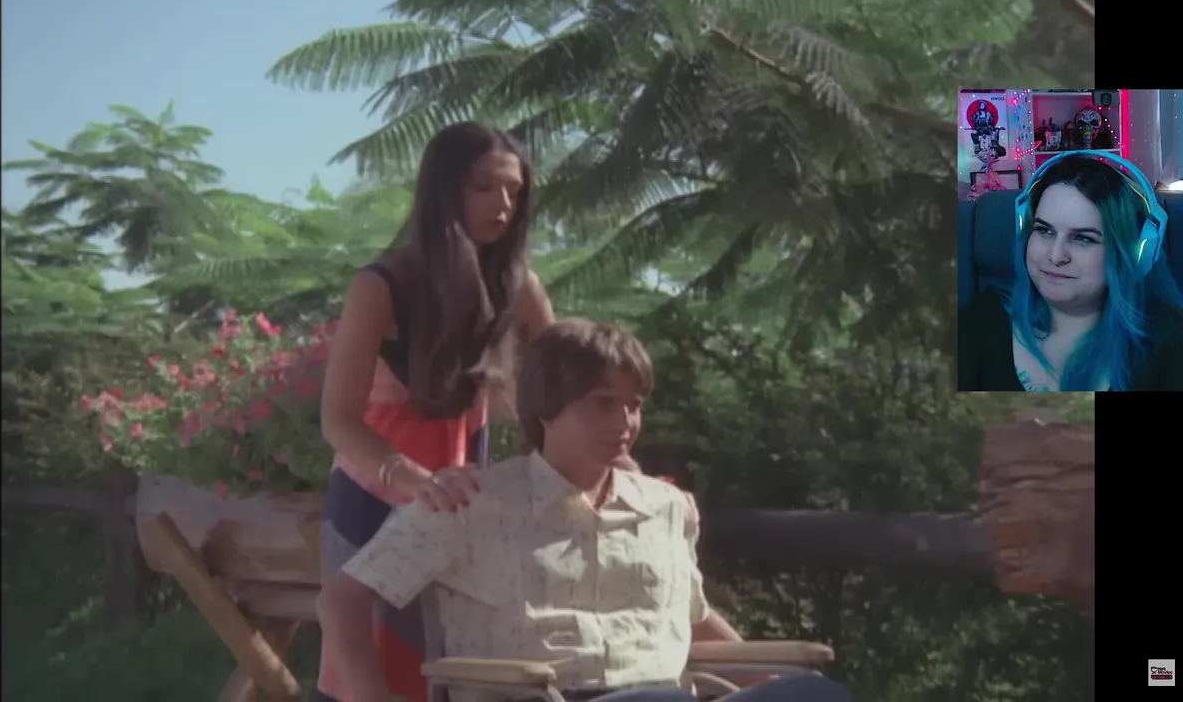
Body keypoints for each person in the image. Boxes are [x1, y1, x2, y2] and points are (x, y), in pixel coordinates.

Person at [321, 319, 853, 702]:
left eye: (634, 405)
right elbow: (343, 600)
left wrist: (772, 678)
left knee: (813, 695)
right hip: (546, 695)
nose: (624, 422)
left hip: (666, 696)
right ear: (547, 410)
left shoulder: (665, 508)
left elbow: (693, 620)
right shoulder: (468, 502)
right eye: (603, 403)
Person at [316, 121, 557, 702]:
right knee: (369, 671)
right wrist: (413, 480)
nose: (503, 205)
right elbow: (338, 420)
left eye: (514, 191)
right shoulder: (380, 286)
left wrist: (604, 462)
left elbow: (562, 392)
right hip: (373, 500)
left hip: (462, 504)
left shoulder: (520, 287)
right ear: (445, 189)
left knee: (454, 667)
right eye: (484, 187)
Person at [958, 152, 1183, 391]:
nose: (1056, 257)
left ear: (1135, 254)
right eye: (1045, 231)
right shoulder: (982, 319)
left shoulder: (1168, 337)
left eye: (1083, 238)